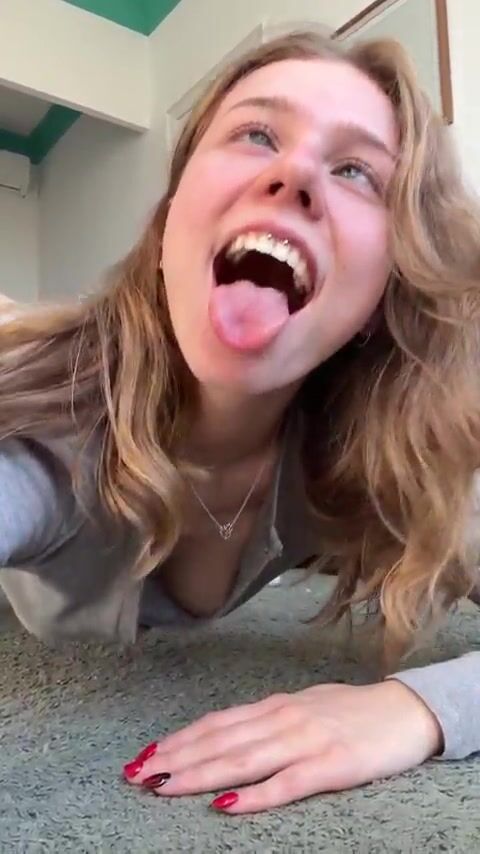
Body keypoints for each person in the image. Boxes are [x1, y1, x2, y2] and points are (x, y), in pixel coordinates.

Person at [1, 29, 480, 816]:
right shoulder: (52, 430)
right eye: (257, 133)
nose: (296, 174)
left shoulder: (375, 445)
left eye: (355, 170)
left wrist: (419, 708)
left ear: (376, 297)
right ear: (167, 229)